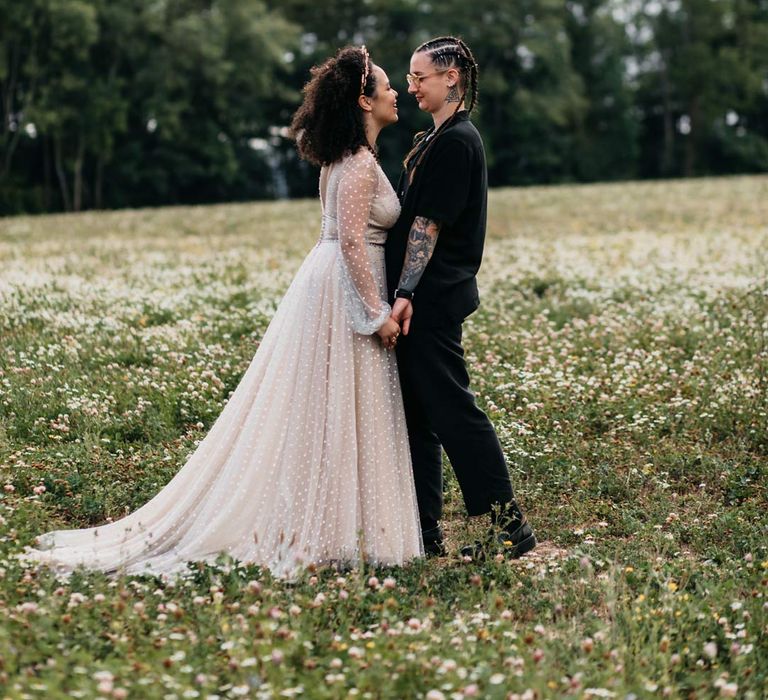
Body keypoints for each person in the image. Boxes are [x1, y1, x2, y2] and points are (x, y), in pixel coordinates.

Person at [18, 47, 423, 580]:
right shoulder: (360, 165)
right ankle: (332, 529)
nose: (397, 94)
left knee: (330, 407)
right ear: (364, 101)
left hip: (327, 281)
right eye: (389, 86)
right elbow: (350, 241)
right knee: (338, 404)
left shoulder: (341, 161)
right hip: (347, 286)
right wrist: (376, 315)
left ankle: (335, 524)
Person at [385, 36, 536, 559]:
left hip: (432, 299)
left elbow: (428, 226)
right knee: (420, 417)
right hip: (421, 299)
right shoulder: (435, 137)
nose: (411, 86)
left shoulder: (456, 142)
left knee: (454, 412)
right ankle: (424, 530)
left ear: (451, 77)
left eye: (419, 76)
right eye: (408, 77)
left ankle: (507, 526)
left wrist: (404, 291)